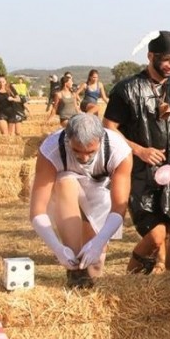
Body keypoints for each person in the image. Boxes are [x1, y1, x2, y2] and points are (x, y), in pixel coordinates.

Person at [103, 30, 170, 274]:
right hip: (140, 173)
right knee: (156, 237)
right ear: (150, 56)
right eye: (166, 60)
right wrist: (140, 150)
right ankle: (131, 284)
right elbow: (109, 128)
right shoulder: (126, 89)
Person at [29, 113, 133, 289]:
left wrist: (99, 241)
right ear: (67, 138)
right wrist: (57, 248)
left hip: (100, 188)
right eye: (76, 151)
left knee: (95, 261)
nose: (84, 158)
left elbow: (119, 206)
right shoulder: (51, 149)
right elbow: (37, 209)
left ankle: (89, 277)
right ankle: (75, 270)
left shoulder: (119, 150)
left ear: (100, 140)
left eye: (90, 152)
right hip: (66, 185)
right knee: (65, 182)